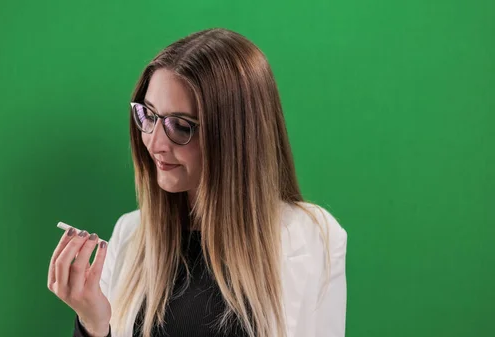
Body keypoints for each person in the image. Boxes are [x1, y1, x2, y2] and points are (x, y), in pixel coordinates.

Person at [48, 28, 348, 337]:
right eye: (148, 115)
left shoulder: (314, 239)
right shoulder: (129, 235)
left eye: (179, 126)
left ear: (237, 138)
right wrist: (93, 324)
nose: (154, 142)